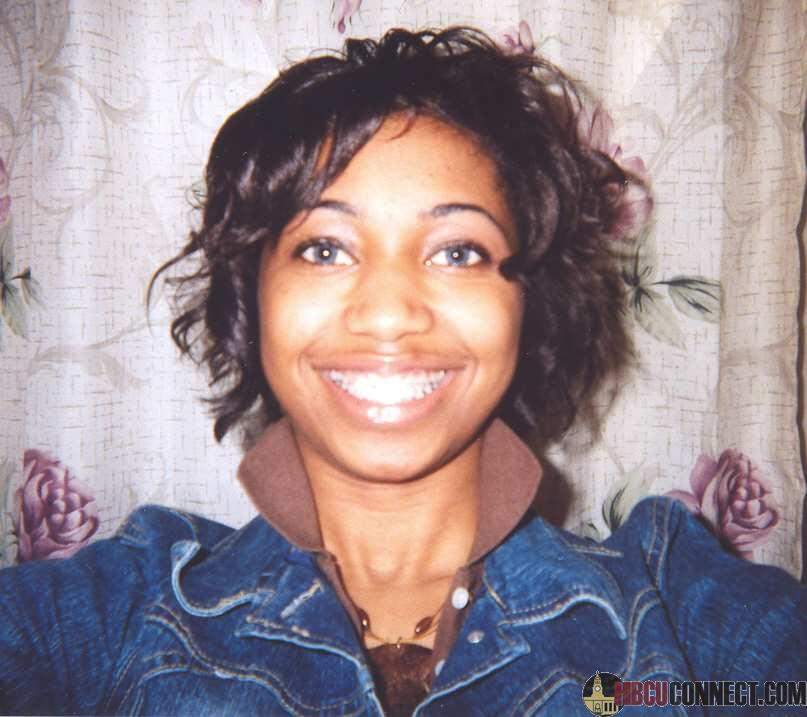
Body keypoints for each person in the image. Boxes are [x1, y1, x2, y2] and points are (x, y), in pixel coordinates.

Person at [1, 27, 805, 717]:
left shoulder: (668, 608)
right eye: (324, 249)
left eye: (457, 252)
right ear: (253, 297)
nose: (388, 313)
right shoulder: (122, 607)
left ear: (528, 304)